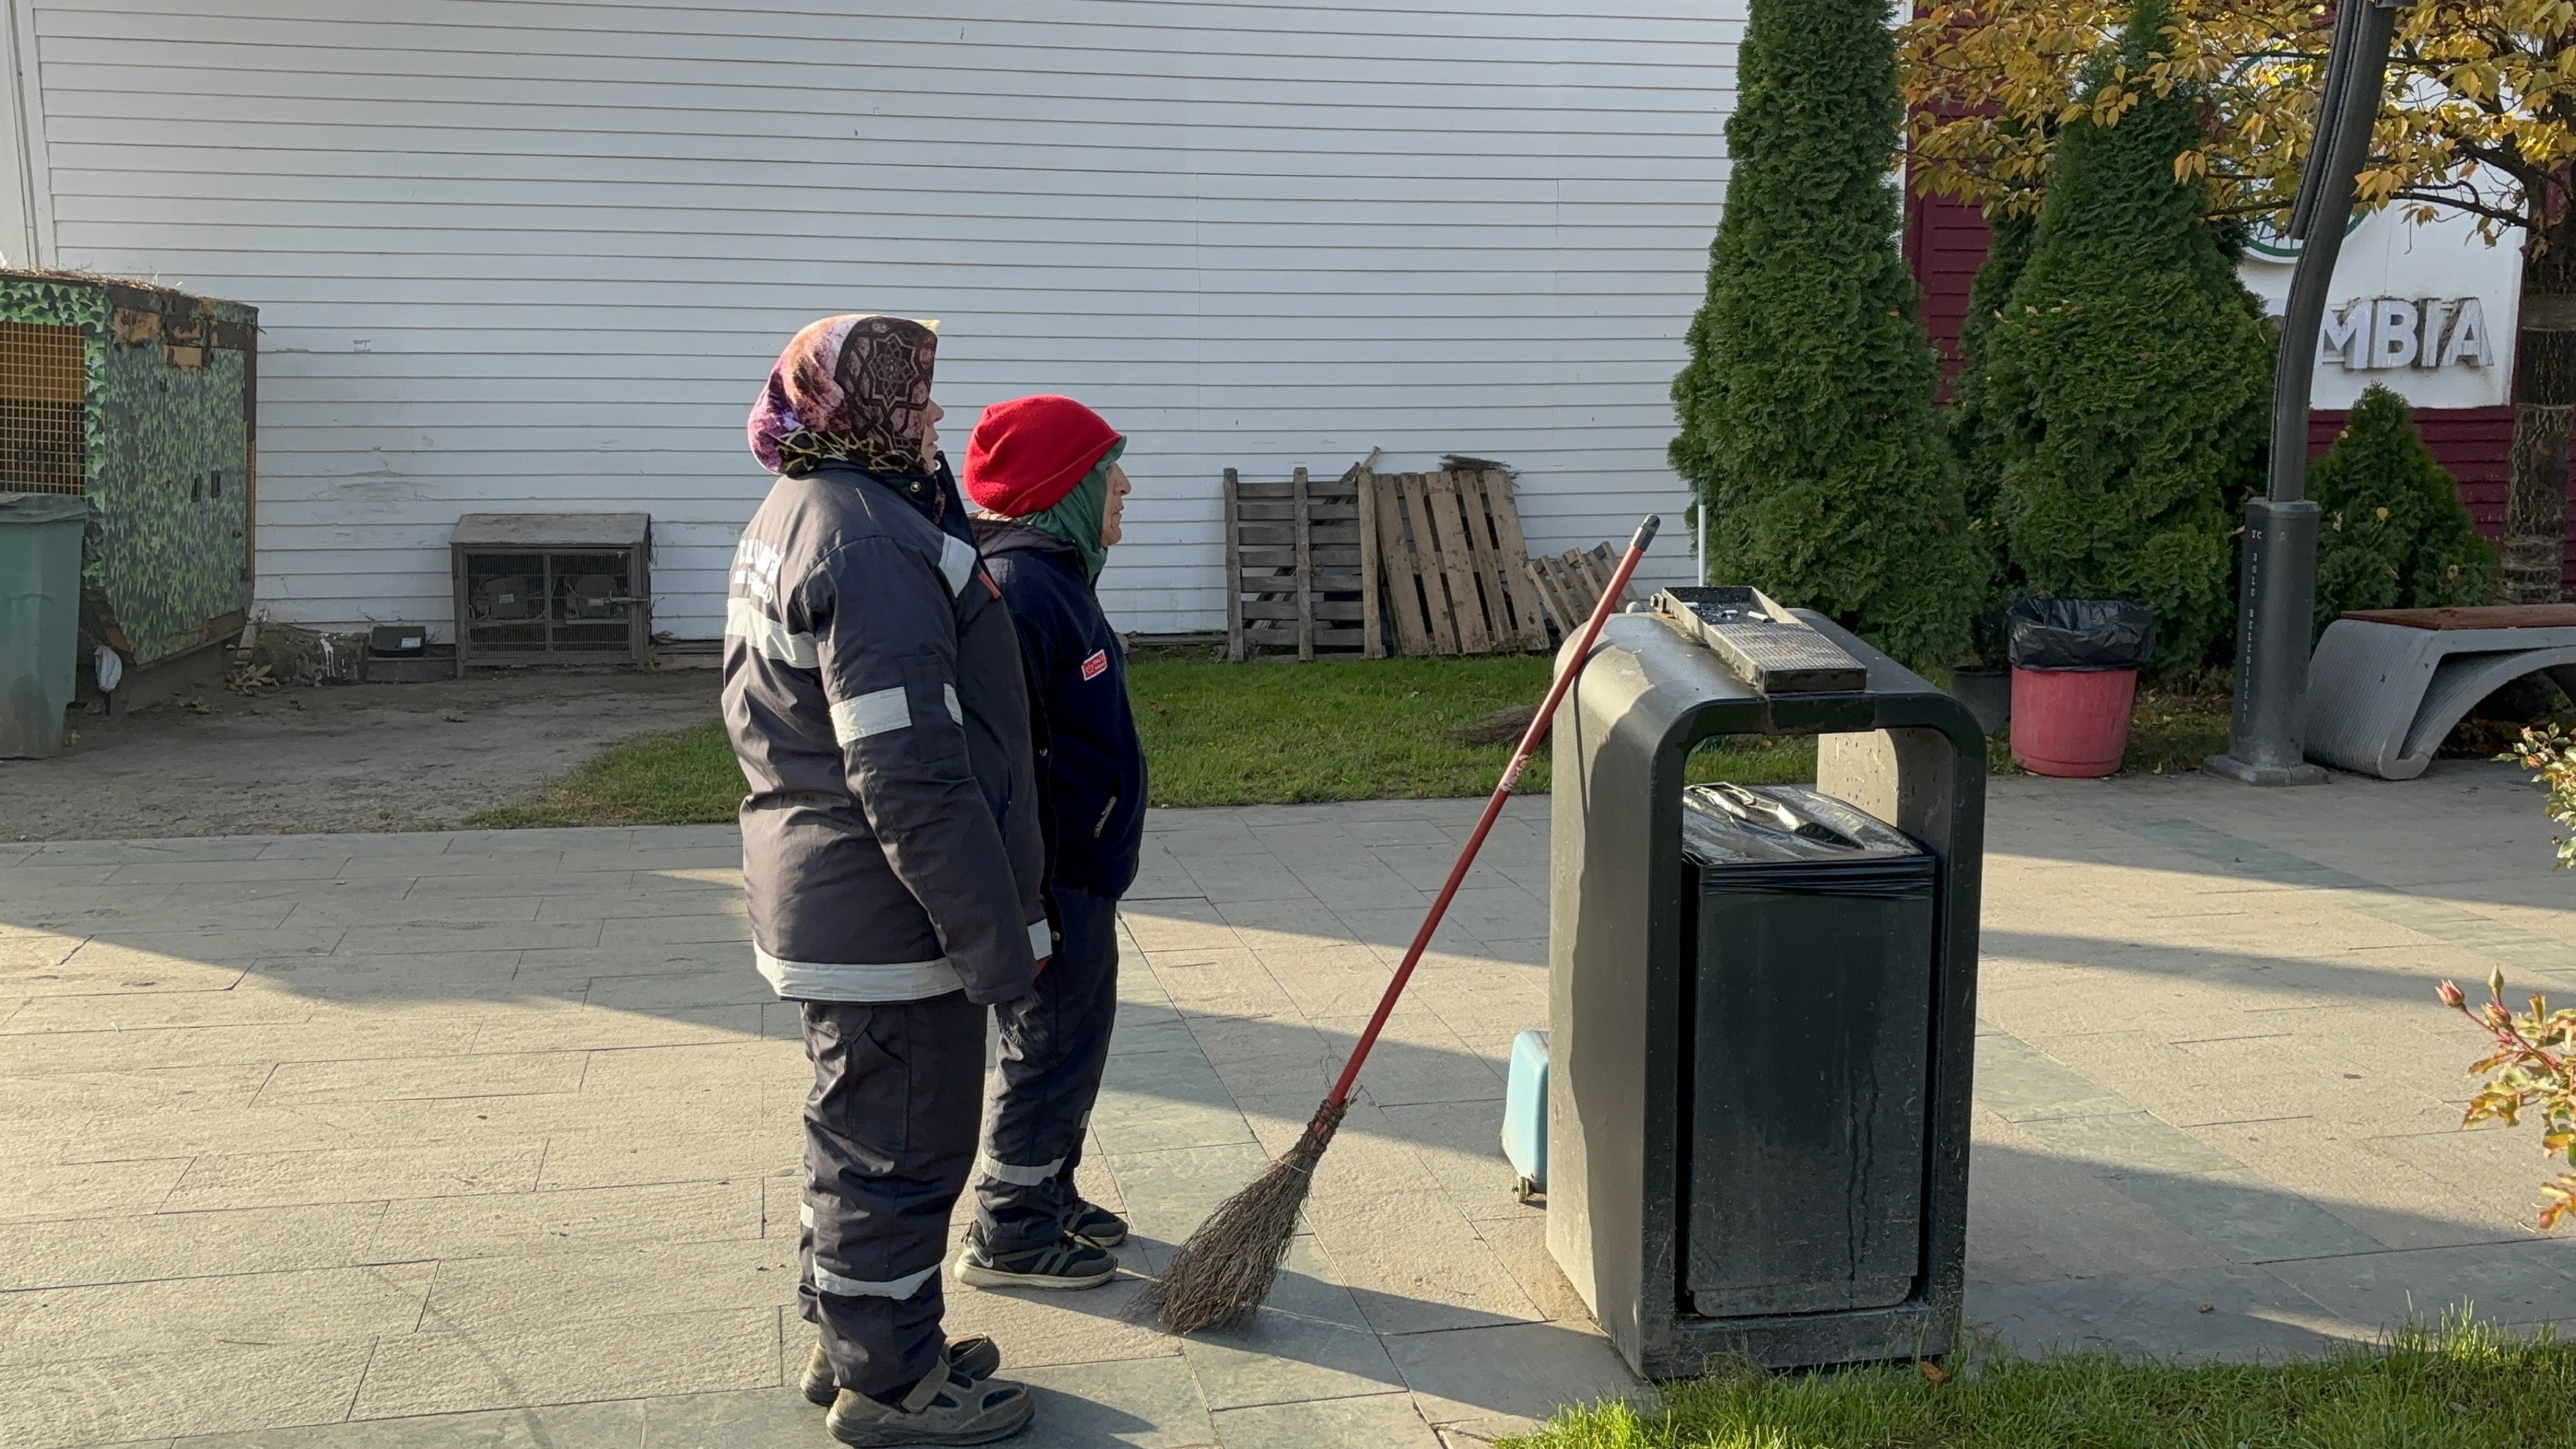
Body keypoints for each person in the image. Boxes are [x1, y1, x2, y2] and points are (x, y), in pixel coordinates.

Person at [723, 314, 1049, 1447]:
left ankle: (855, 1336)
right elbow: (909, 772)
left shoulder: (803, 508)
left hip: (831, 891)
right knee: (904, 1146)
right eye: (917, 396)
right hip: (887, 917)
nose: (937, 417)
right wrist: (993, 941)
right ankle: (895, 1385)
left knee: (857, 1128)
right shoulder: (865, 544)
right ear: (861, 408)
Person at [950, 394, 1149, 1292]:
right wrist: (1031, 891)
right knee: (1051, 1039)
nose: (1126, 485)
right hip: (1054, 876)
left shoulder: (1054, 575)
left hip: (1081, 866)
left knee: (1077, 1037)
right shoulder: (1022, 591)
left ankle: (1049, 1191)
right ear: (1062, 485)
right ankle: (1011, 1228)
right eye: (1109, 468)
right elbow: (1003, 758)